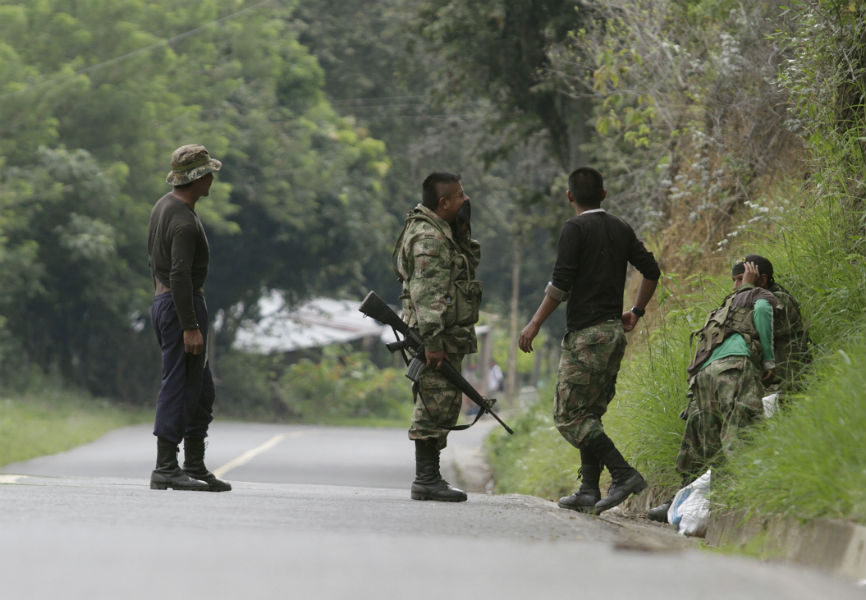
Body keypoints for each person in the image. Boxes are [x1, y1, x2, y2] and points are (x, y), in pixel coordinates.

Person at [518, 167, 661, 514]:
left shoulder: (575, 228)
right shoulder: (620, 227)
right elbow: (652, 270)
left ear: (570, 197)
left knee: (569, 416)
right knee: (590, 412)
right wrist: (636, 312)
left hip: (587, 336)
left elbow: (560, 285)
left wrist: (534, 324)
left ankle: (623, 474)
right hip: (613, 333)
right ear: (604, 194)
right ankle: (587, 490)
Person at [647, 257, 779, 522]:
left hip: (705, 375)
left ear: (759, 276)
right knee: (740, 431)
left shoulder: (727, 306)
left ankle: (687, 504)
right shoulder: (759, 296)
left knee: (707, 441)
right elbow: (763, 312)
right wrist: (769, 360)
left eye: (738, 278)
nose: (734, 285)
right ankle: (737, 501)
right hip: (733, 369)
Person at [146, 144, 231, 492]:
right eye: (208, 172)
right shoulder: (182, 220)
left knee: (202, 390)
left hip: (168, 303)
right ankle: (165, 467)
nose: (212, 177)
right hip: (182, 305)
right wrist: (190, 326)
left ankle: (193, 462)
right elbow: (180, 274)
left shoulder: (163, 206)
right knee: (179, 385)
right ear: (198, 178)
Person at [394, 172, 482, 502]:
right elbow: (427, 291)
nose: (466, 199)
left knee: (443, 401)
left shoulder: (442, 232)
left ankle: (430, 477)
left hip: (444, 333)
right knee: (433, 401)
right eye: (460, 196)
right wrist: (432, 341)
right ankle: (426, 479)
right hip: (435, 334)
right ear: (443, 203)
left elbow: (465, 268)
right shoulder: (429, 238)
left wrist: (463, 230)